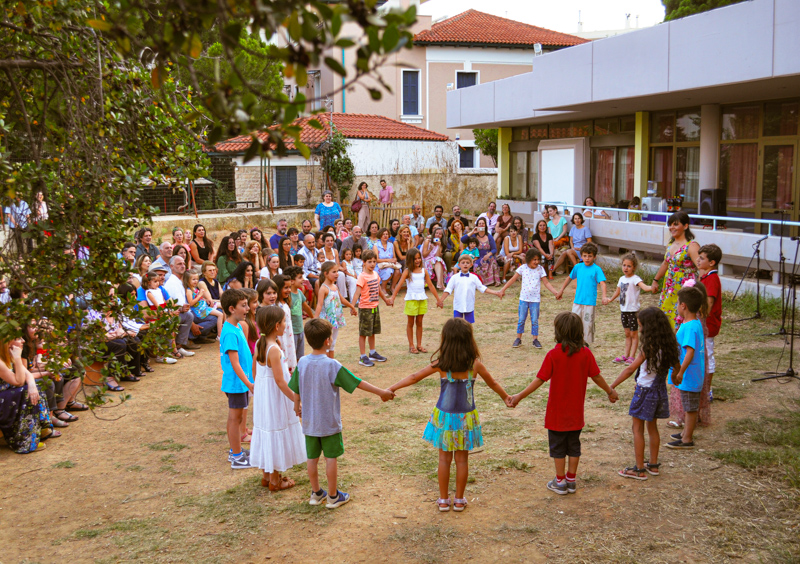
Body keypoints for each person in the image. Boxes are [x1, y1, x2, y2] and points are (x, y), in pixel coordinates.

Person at [388, 318, 510, 512]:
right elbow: (493, 383)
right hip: (466, 419)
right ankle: (459, 500)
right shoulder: (475, 365)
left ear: (446, 340)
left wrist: (392, 388)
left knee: (444, 460)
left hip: (445, 419)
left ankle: (443, 500)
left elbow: (414, 377)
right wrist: (506, 398)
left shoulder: (441, 364)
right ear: (469, 340)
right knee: (462, 460)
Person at [508, 312, 618, 494]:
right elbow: (597, 377)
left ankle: (560, 482)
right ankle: (571, 480)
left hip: (556, 414)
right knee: (574, 445)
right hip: (576, 413)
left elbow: (539, 380)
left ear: (558, 332)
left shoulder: (553, 355)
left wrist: (519, 396)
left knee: (558, 447)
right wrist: (610, 391)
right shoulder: (586, 354)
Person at [290, 323, 394, 513]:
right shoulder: (332, 364)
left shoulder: (302, 362)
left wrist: (297, 407)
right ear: (327, 341)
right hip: (329, 423)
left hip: (309, 422)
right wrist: (381, 392)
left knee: (312, 459)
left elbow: (295, 388)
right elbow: (357, 382)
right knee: (331, 458)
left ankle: (316, 494)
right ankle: (332, 496)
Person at [611, 307, 680, 480]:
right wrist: (674, 377)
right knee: (652, 427)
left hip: (643, 392)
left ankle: (639, 469)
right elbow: (677, 372)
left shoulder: (648, 348)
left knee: (637, 429)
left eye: (641, 326)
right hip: (659, 391)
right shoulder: (669, 346)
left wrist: (612, 386)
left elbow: (630, 369)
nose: (640, 329)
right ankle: (654, 465)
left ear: (649, 328)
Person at [248, 306, 307, 490]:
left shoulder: (260, 343)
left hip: (265, 395)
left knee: (267, 428)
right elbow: (281, 382)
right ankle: (275, 480)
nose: (285, 325)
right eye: (283, 322)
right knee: (275, 428)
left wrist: (259, 389)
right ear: (276, 326)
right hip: (275, 397)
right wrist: (296, 401)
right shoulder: (273, 349)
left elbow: (255, 370)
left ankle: (267, 476)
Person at [667, 285, 706, 450]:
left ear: (684, 306)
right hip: (691, 374)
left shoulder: (690, 326)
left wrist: (681, 371)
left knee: (690, 408)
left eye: (677, 303)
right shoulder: (694, 323)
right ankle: (685, 433)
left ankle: (687, 439)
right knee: (688, 404)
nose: (677, 306)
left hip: (690, 374)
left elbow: (690, 351)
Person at [219, 288, 255, 469]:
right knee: (235, 418)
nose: (247, 308)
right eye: (243, 305)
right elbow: (234, 363)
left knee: (237, 417)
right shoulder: (231, 332)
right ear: (232, 308)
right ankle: (237, 456)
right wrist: (248, 383)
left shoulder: (238, 326)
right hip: (236, 383)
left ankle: (236, 450)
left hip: (241, 382)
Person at [0, 337, 53, 453]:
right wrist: (18, 358)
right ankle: (24, 441)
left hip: (8, 396)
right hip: (3, 402)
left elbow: (27, 374)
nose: (23, 340)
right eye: (17, 338)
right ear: (6, 342)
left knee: (35, 387)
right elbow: (18, 381)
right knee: (24, 392)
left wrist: (32, 385)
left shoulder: (8, 355)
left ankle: (40, 428)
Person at [499, 248, 558, 349]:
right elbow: (513, 279)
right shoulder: (523, 268)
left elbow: (546, 283)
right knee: (521, 319)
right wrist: (503, 289)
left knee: (534, 320)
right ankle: (518, 338)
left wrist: (555, 292)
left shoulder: (540, 269)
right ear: (528, 259)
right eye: (534, 259)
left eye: (538, 259)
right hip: (523, 299)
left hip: (535, 300)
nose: (536, 262)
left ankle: (535, 339)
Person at [651, 211, 700, 330]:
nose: (672, 228)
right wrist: (655, 280)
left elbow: (701, 267)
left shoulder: (691, 245)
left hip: (685, 286)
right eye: (670, 225)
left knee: (682, 317)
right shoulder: (671, 244)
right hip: (669, 286)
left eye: (676, 224)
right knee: (666, 318)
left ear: (686, 226)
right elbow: (665, 263)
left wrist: (701, 288)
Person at [387, 248, 442, 354]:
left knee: (420, 322)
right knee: (411, 323)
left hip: (422, 299)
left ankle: (419, 344)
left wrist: (438, 299)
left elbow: (430, 285)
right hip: (411, 299)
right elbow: (399, 284)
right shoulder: (407, 271)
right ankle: (411, 345)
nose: (417, 261)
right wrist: (393, 297)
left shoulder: (424, 271)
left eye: (419, 258)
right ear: (410, 260)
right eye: (415, 259)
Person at [555, 243, 607, 345]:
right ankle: (574, 343)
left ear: (594, 256)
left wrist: (604, 296)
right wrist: (561, 290)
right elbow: (569, 278)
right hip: (577, 301)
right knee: (574, 323)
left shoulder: (597, 269)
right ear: (581, 256)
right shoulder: (578, 267)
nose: (587, 258)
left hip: (589, 303)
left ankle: (586, 345)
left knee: (587, 324)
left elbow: (602, 283)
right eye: (585, 256)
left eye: (590, 256)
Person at [608, 253, 654, 364]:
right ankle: (626, 355)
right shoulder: (621, 279)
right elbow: (617, 291)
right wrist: (610, 299)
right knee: (627, 334)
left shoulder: (635, 279)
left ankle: (632, 356)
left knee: (634, 334)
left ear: (634, 267)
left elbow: (644, 287)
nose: (626, 268)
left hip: (633, 311)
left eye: (629, 266)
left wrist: (651, 288)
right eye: (624, 265)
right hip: (624, 310)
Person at [352, 249, 392, 367]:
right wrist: (352, 306)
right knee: (363, 332)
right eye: (369, 261)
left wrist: (386, 300)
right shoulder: (362, 277)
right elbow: (356, 293)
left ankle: (372, 352)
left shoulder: (375, 274)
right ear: (364, 262)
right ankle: (363, 356)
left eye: (374, 261)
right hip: (365, 308)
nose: (372, 264)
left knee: (372, 331)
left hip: (375, 307)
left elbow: (379, 289)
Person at [438, 255, 502, 324]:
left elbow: (482, 288)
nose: (465, 264)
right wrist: (441, 300)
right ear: (459, 264)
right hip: (458, 306)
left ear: (471, 265)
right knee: (457, 325)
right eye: (463, 263)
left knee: (469, 325)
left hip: (469, 306)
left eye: (467, 263)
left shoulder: (474, 277)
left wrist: (496, 293)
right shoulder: (454, 278)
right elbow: (448, 290)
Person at [315, 261, 357, 359]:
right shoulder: (323, 288)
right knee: (326, 344)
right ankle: (326, 363)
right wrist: (315, 320)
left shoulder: (335, 287)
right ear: (326, 274)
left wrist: (351, 306)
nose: (337, 274)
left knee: (332, 343)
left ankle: (331, 362)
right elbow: (319, 305)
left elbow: (341, 299)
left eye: (337, 271)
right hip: (327, 320)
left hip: (335, 319)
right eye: (334, 272)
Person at [697, 244, 722, 400]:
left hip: (707, 324)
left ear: (711, 262)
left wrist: (700, 318)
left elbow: (709, 302)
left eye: (701, 258)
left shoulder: (712, 278)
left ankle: (707, 390)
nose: (698, 260)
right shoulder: (706, 276)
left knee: (708, 355)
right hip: (702, 323)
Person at [163, 256, 202, 356]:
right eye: (179, 264)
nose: (182, 266)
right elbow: (171, 304)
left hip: (180, 312)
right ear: (171, 266)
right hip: (171, 314)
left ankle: (180, 346)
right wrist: (181, 308)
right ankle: (171, 348)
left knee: (189, 316)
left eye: (184, 263)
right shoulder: (171, 282)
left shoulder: (179, 281)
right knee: (188, 316)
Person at [284, 266, 316, 359]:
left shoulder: (299, 292)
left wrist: (313, 318)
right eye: (300, 277)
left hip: (300, 330)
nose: (303, 279)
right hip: (291, 331)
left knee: (299, 356)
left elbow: (306, 306)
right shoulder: (287, 295)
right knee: (291, 356)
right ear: (292, 281)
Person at [185, 269, 224, 338]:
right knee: (220, 314)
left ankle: (218, 332)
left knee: (221, 309)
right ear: (187, 280)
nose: (196, 281)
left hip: (204, 306)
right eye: (193, 279)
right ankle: (219, 335)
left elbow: (199, 299)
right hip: (200, 310)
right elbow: (191, 303)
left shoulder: (195, 288)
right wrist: (200, 295)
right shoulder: (189, 291)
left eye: (197, 279)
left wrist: (205, 300)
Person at [463, 217, 500, 286]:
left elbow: (494, 249)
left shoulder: (489, 236)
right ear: (477, 225)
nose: (481, 225)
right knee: (476, 265)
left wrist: (489, 254)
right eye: (479, 223)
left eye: (483, 223)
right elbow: (463, 240)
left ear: (485, 225)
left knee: (493, 261)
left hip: (488, 255)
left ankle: (494, 281)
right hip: (478, 256)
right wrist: (472, 232)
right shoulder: (474, 236)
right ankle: (480, 282)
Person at [272, 275, 297, 371]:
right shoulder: (276, 305)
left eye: (290, 287)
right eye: (285, 287)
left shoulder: (285, 303)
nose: (289, 290)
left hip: (288, 338)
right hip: (281, 339)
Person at [421, 225, 447, 292]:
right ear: (434, 233)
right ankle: (440, 284)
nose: (438, 235)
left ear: (442, 236)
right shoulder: (428, 241)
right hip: (425, 261)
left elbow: (437, 256)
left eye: (440, 234)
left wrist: (439, 246)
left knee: (438, 260)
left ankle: (439, 283)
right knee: (438, 260)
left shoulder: (440, 244)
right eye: (436, 233)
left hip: (434, 261)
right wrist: (430, 249)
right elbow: (424, 255)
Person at [374, 228, 398, 294]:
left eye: (386, 234)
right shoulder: (376, 245)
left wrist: (394, 260)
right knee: (388, 271)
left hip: (389, 265)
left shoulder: (391, 245)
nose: (385, 236)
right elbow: (376, 260)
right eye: (383, 234)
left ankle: (388, 288)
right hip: (379, 266)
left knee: (396, 271)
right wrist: (388, 260)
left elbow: (394, 258)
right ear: (380, 235)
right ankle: (382, 288)